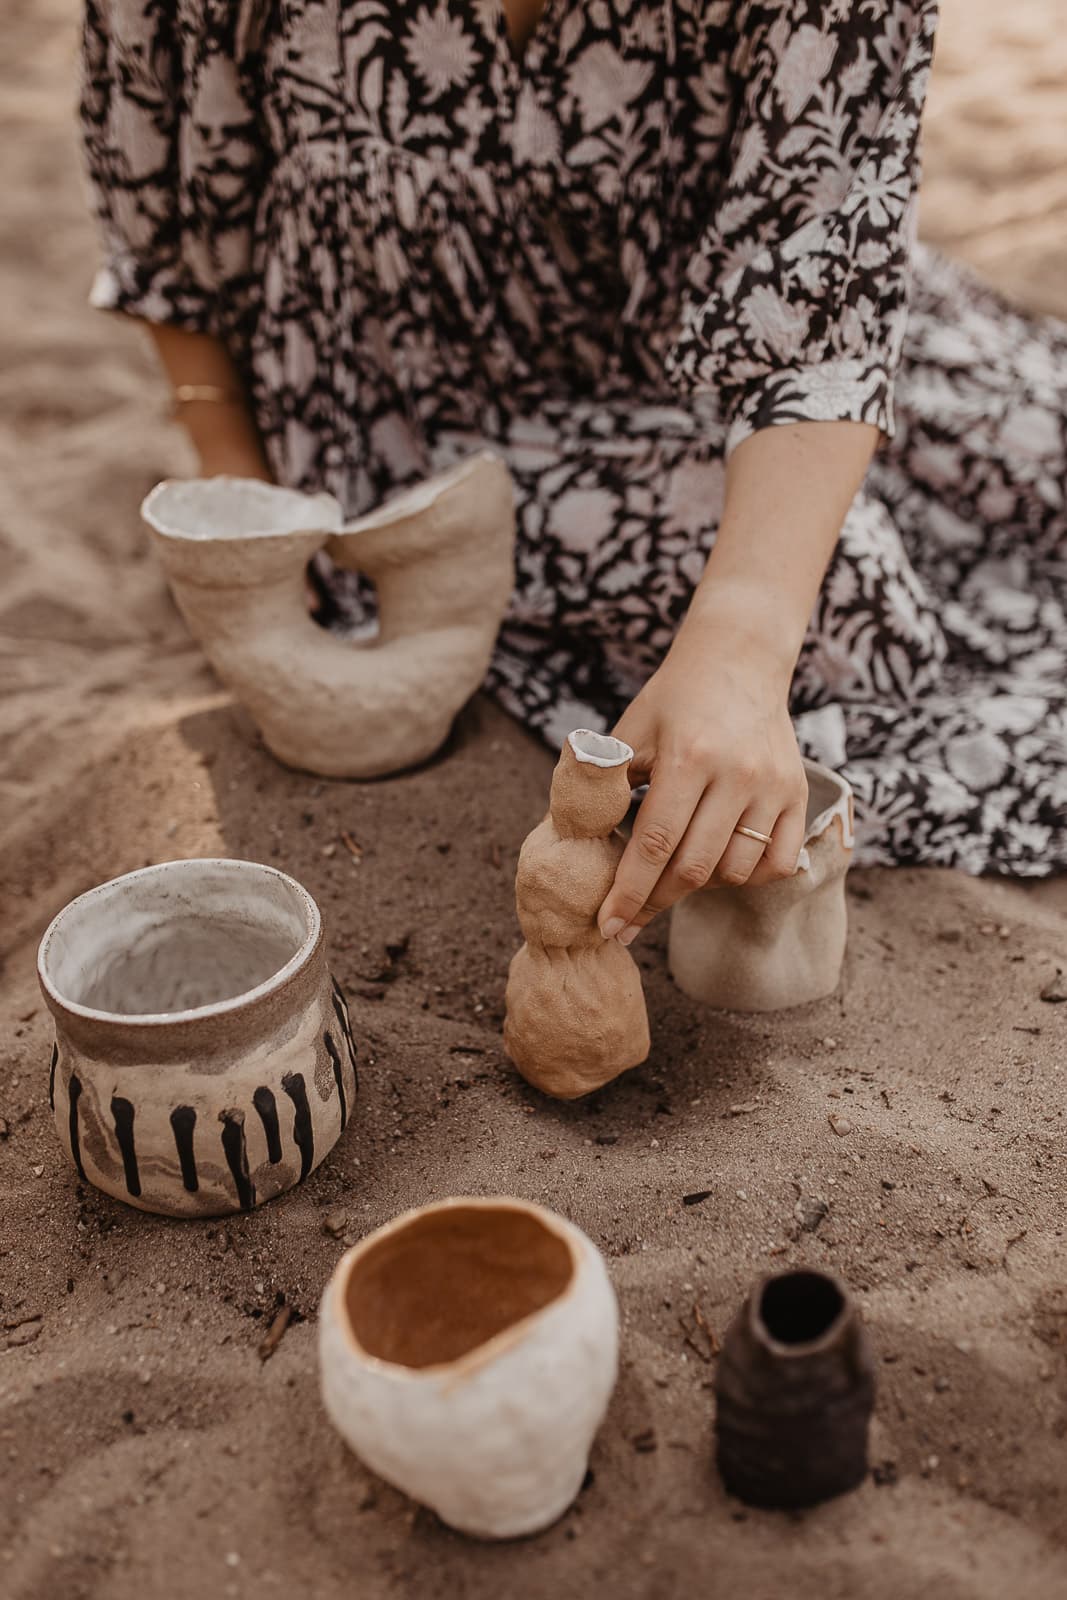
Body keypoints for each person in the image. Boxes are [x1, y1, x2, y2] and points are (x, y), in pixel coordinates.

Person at [80, 0, 1067, 952]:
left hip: (712, 329)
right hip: (406, 403)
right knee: (852, 617)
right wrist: (238, 481)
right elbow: (159, 199)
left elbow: (826, 257)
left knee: (1036, 454)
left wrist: (738, 641)